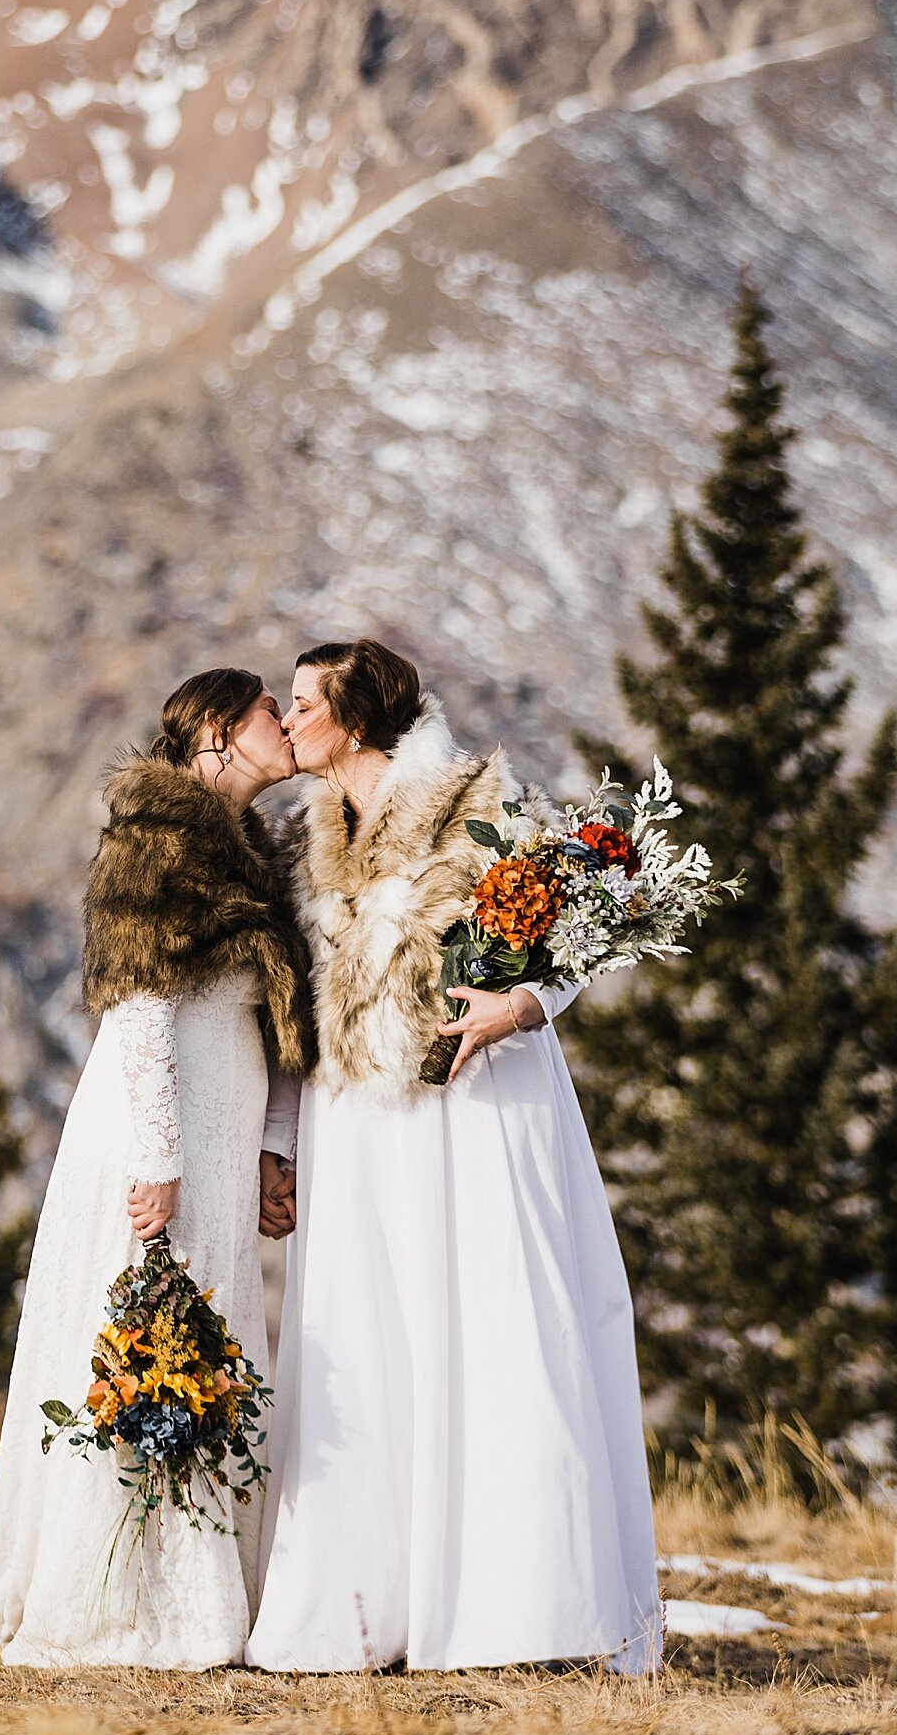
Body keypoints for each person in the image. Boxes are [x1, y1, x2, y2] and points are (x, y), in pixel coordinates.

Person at [246, 637, 662, 1674]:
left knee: (488, 1327)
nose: (288, 720)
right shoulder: (307, 838)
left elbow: (583, 922)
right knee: (366, 1338)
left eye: (304, 703)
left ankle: (515, 1607)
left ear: (355, 715)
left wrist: (520, 1003)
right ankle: (363, 1607)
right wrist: (281, 1141)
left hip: (473, 1103)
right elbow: (304, 1011)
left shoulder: (475, 798)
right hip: (356, 1124)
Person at [0, 668, 313, 1667]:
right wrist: (158, 1155)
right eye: (265, 713)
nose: (284, 724)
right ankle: (119, 1597)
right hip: (154, 1123)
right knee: (141, 1329)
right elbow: (139, 1003)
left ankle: (205, 1586)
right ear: (216, 730)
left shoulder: (259, 852)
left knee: (207, 1333)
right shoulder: (155, 838)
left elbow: (283, 1019)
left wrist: (270, 1145)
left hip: (228, 1117)